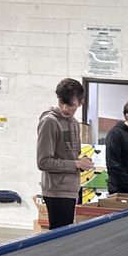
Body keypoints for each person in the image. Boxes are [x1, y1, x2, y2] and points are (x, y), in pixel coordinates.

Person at [36, 77, 93, 230]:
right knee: (59, 239)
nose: (65, 108)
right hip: (57, 191)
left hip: (71, 189)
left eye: (70, 104)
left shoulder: (73, 122)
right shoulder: (50, 121)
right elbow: (43, 162)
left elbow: (71, 155)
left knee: (66, 237)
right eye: (62, 102)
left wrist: (82, 162)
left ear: (80, 102)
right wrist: (76, 164)